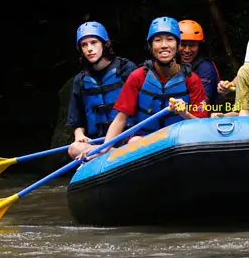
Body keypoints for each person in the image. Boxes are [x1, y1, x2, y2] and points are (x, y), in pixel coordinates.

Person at [80, 17, 209, 159]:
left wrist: (184, 113)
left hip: (178, 142)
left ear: (178, 45)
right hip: (146, 142)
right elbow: (120, 119)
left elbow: (200, 125)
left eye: (170, 40)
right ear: (150, 46)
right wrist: (104, 149)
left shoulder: (192, 80)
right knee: (134, 141)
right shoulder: (138, 77)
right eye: (158, 40)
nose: (164, 45)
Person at [66, 22, 138, 159]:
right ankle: (107, 152)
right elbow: (77, 120)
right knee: (74, 148)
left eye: (94, 42)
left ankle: (107, 153)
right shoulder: (80, 80)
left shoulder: (125, 68)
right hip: (97, 141)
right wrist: (79, 135)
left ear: (104, 44)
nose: (89, 49)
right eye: (84, 45)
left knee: (137, 142)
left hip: (127, 136)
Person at [178, 19, 221, 105]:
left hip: (201, 115)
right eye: (183, 45)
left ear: (199, 46)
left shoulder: (206, 67)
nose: (187, 50)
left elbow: (202, 103)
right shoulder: (171, 63)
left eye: (192, 45)